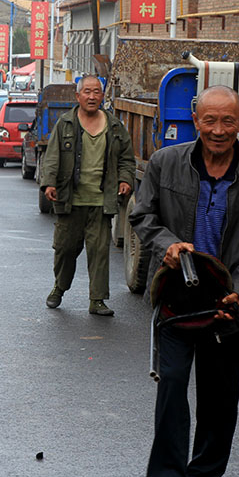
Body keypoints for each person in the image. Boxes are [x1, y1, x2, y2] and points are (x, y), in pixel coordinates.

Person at [129, 85, 239, 477]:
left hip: (224, 308)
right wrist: (168, 245)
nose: (218, 130)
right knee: (172, 385)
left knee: (219, 397)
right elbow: (142, 215)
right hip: (176, 300)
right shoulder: (165, 164)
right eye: (209, 120)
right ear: (195, 121)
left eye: (227, 121)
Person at [40, 75, 135, 316]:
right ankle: (59, 288)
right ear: (78, 96)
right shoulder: (65, 124)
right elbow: (52, 157)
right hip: (70, 200)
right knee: (65, 249)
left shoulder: (114, 127)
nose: (92, 96)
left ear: (102, 96)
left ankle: (97, 299)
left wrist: (125, 179)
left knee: (99, 252)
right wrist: (49, 183)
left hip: (101, 201)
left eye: (97, 92)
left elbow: (126, 157)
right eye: (87, 92)